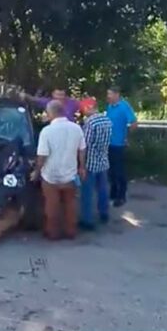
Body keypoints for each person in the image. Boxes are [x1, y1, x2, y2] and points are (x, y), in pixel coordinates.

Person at [32, 99, 86, 240]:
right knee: (70, 204)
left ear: (50, 113)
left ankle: (53, 233)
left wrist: (36, 172)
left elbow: (42, 155)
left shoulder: (47, 131)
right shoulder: (76, 128)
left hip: (51, 176)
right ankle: (70, 231)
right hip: (70, 174)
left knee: (52, 206)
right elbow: (82, 150)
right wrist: (82, 167)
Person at [78, 97, 112, 229]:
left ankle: (88, 221)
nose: (83, 113)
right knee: (102, 189)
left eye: (83, 110)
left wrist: (82, 165)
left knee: (87, 193)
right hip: (103, 160)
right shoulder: (107, 120)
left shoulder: (90, 123)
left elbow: (84, 145)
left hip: (90, 162)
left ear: (88, 108)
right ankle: (104, 213)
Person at [105, 85, 137, 206]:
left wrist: (126, 137)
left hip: (118, 144)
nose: (108, 96)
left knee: (119, 171)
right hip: (108, 142)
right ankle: (113, 193)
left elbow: (133, 123)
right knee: (111, 170)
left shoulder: (124, 106)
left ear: (116, 94)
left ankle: (121, 196)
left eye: (110, 94)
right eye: (108, 94)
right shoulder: (110, 107)